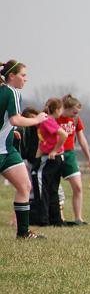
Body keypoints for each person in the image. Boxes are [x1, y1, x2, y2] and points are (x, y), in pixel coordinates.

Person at [0, 59, 49, 239]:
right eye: (23, 75)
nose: (25, 79)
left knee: (25, 186)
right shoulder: (11, 92)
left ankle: (23, 233)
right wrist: (37, 120)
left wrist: (12, 132)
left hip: (7, 150)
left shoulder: (5, 91)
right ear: (12, 76)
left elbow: (7, 121)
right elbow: (15, 119)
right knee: (24, 187)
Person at [57, 94, 90, 224]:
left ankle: (78, 218)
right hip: (54, 154)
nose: (75, 115)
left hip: (69, 155)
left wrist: (89, 158)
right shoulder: (56, 117)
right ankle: (57, 217)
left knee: (78, 187)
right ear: (65, 108)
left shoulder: (75, 120)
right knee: (53, 187)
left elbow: (82, 139)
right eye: (74, 112)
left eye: (77, 113)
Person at [32, 98, 68, 226]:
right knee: (53, 189)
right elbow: (43, 143)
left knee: (42, 188)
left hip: (51, 158)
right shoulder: (49, 120)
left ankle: (43, 220)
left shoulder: (47, 120)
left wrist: (54, 151)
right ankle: (56, 220)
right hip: (55, 158)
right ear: (57, 109)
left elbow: (64, 134)